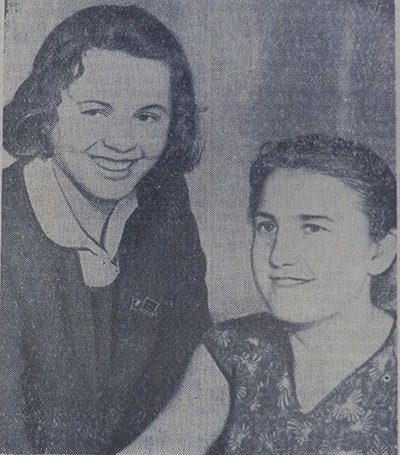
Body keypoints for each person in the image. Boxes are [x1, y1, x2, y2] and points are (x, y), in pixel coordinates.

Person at [1, 4, 211, 454]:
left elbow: (195, 381)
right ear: (46, 110)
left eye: (147, 117)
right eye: (96, 111)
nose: (121, 142)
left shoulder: (165, 205)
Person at [121, 134, 396, 455]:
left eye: (313, 228)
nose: (280, 255)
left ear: (379, 252)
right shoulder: (233, 350)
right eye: (268, 226)